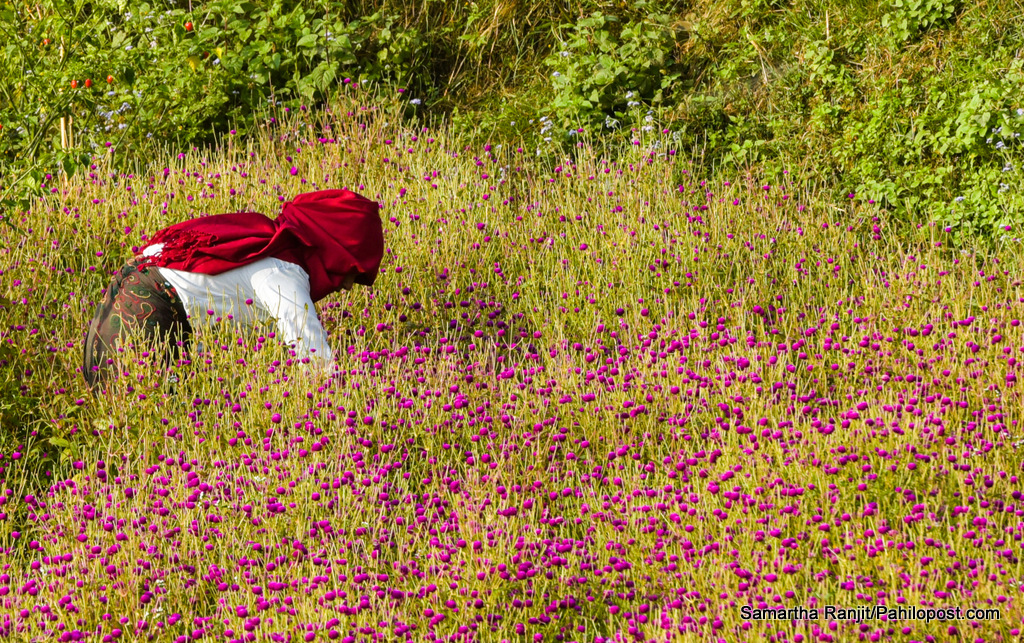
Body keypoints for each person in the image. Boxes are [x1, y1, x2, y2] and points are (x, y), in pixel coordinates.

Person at [82, 189, 384, 392]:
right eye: (350, 272)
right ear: (332, 252)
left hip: (137, 295)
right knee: (145, 429)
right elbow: (313, 358)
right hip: (144, 308)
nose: (346, 286)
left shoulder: (269, 249)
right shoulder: (282, 272)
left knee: (139, 419)